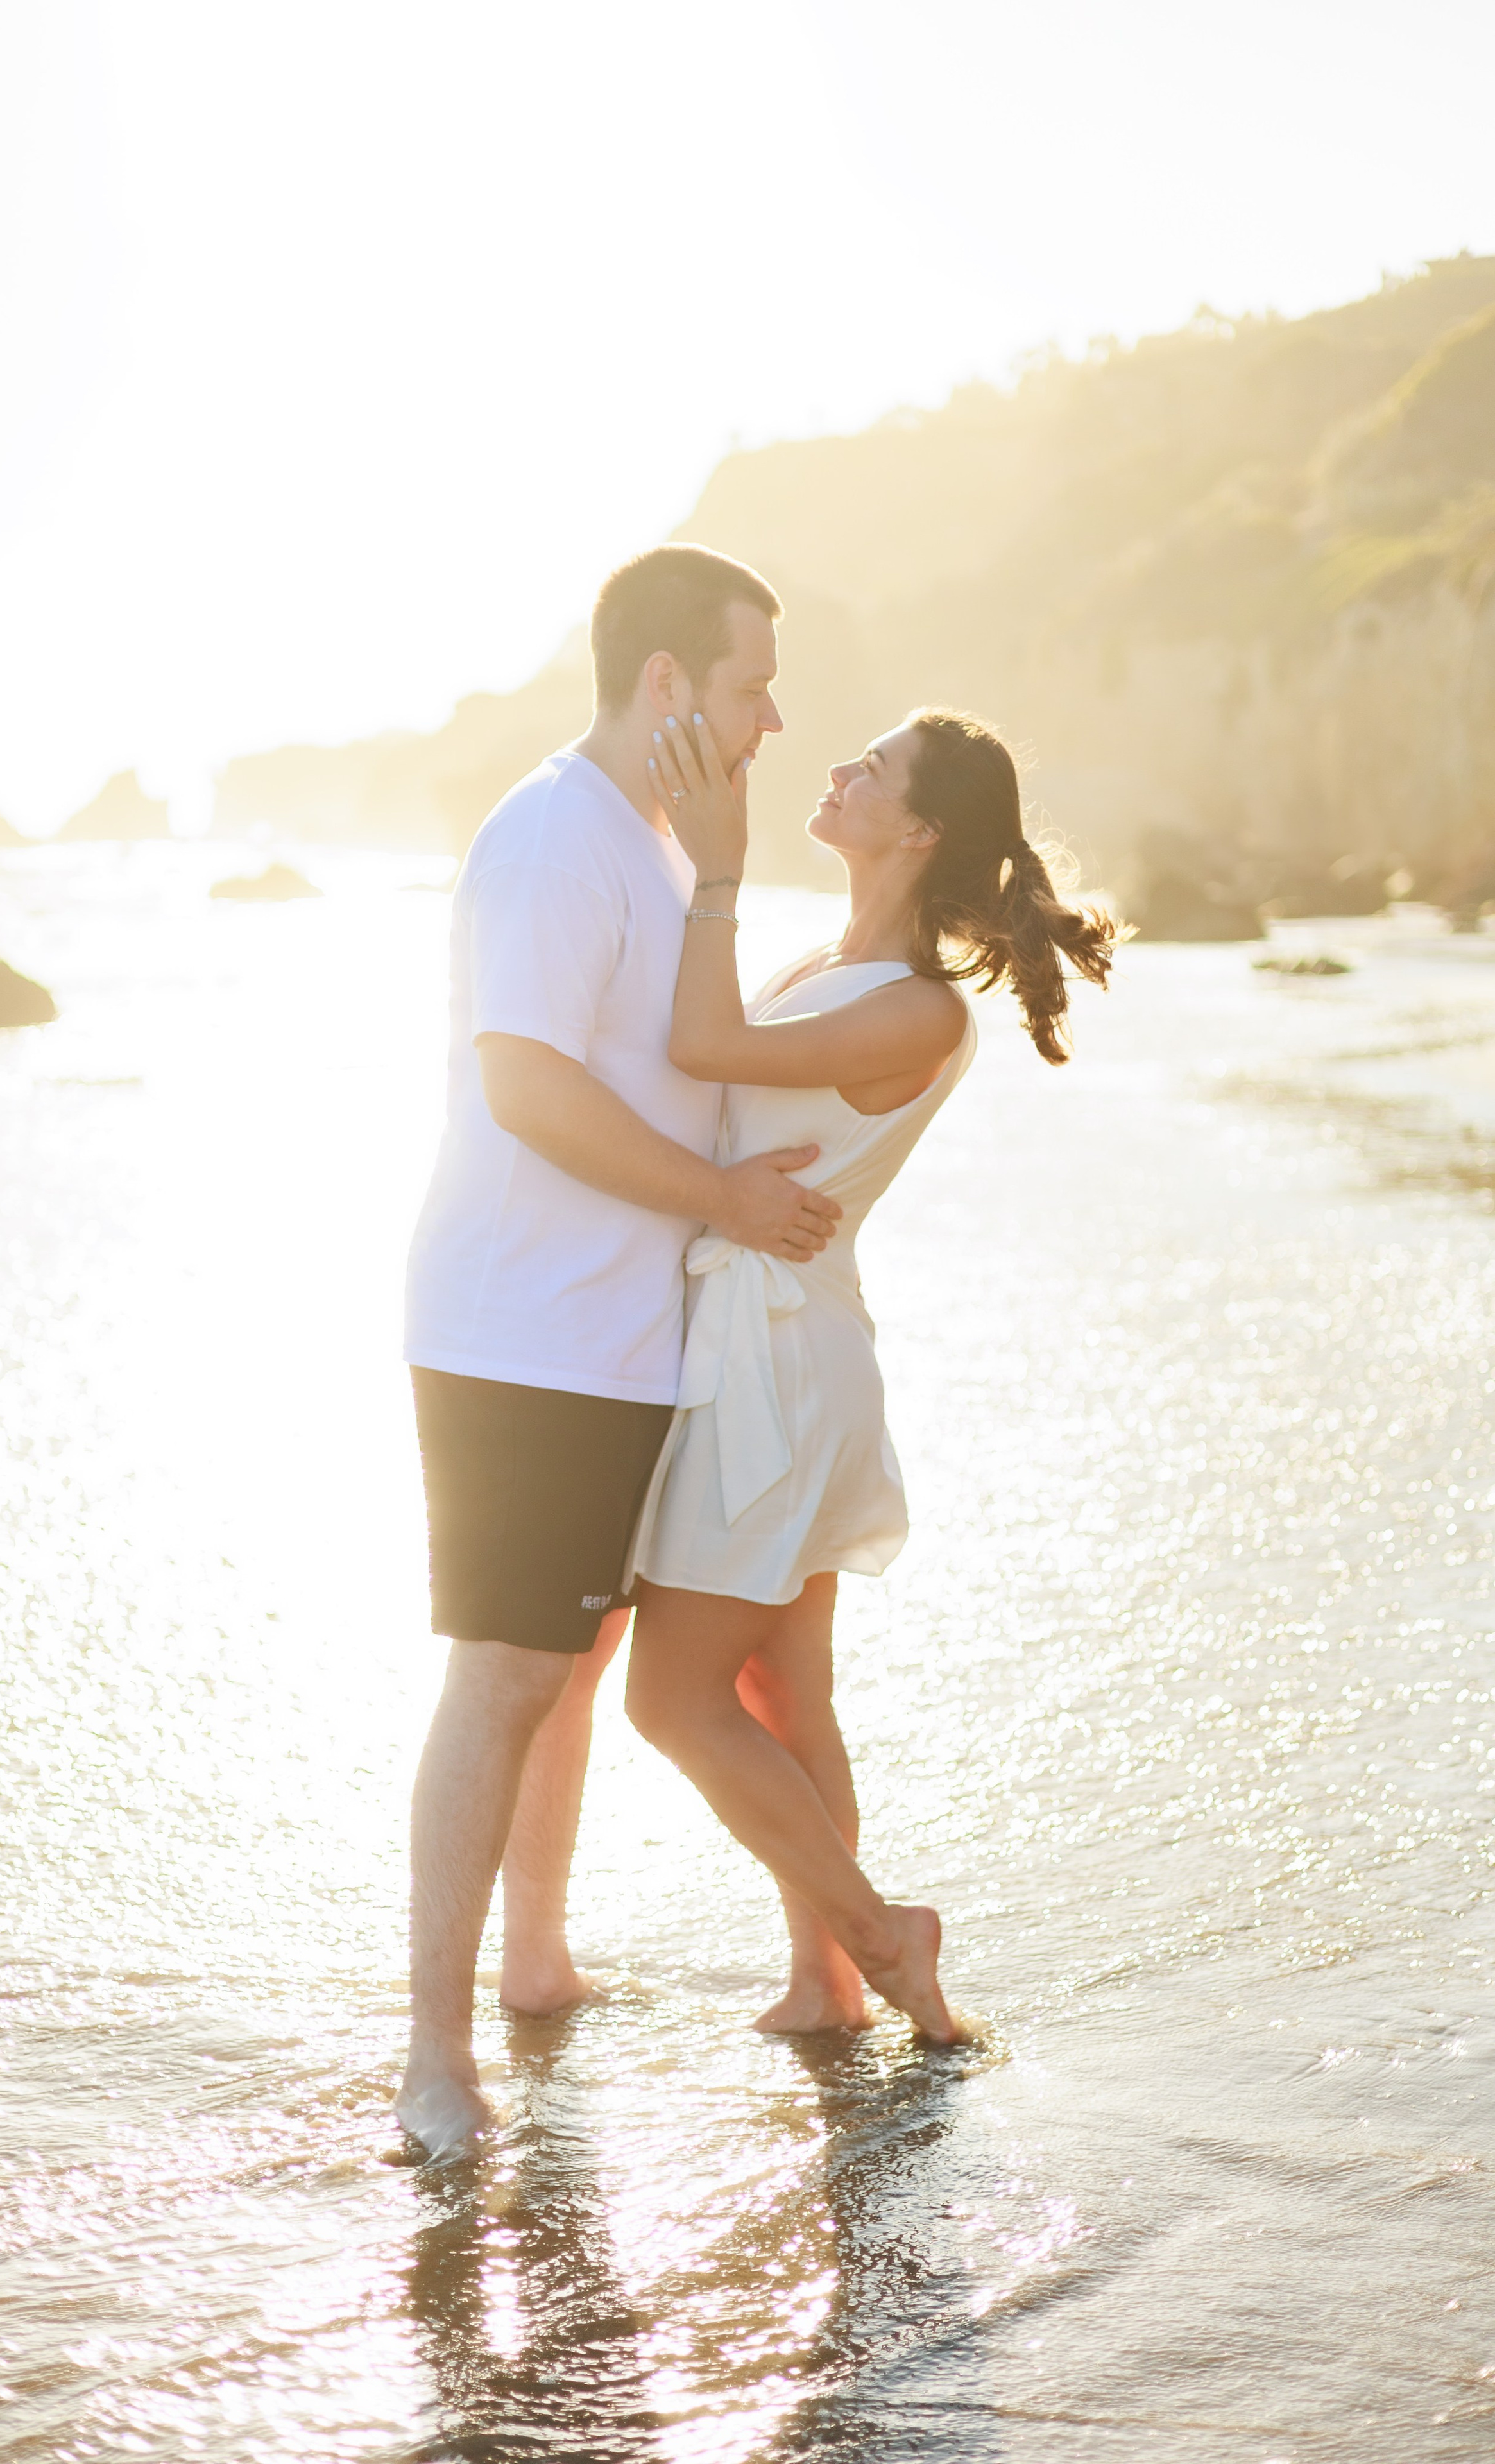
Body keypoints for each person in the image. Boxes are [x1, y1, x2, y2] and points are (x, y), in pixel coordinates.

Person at [397, 543, 845, 2161]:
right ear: (664, 684)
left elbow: (686, 1052)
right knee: (510, 1671)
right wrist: (722, 1195)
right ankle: (434, 2060)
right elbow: (526, 1087)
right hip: (522, 1331)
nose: (771, 715)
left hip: (625, 1335)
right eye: (746, 685)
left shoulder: (658, 845)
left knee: (569, 1671)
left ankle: (534, 1960)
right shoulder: (551, 842)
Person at [625, 705, 1119, 2040]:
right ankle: (825, 1984)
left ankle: (875, 1934)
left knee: (669, 1700)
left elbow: (701, 1050)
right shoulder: (822, 963)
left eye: (872, 767)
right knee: (785, 1692)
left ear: (918, 828)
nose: (838, 769)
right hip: (781, 1345)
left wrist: (715, 864)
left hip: (773, 1372)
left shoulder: (910, 1010)